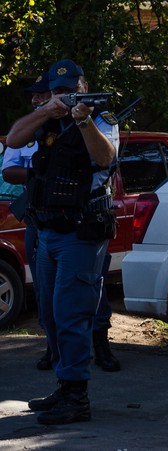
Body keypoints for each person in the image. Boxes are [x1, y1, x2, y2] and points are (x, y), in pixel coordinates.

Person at [6, 58, 119, 424]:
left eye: (71, 89)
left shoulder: (101, 118)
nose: (65, 95)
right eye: (58, 91)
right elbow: (15, 137)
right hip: (49, 228)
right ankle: (64, 383)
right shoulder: (47, 118)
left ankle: (77, 396)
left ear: (83, 87)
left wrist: (82, 118)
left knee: (72, 313)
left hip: (81, 230)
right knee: (52, 316)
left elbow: (105, 158)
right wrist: (47, 111)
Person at [2, 71, 51, 369]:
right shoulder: (25, 130)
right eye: (33, 95)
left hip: (71, 217)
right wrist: (41, 174)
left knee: (88, 288)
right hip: (36, 215)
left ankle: (99, 344)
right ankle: (51, 345)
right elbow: (8, 171)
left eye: (41, 93)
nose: (34, 99)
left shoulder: (71, 126)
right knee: (44, 286)